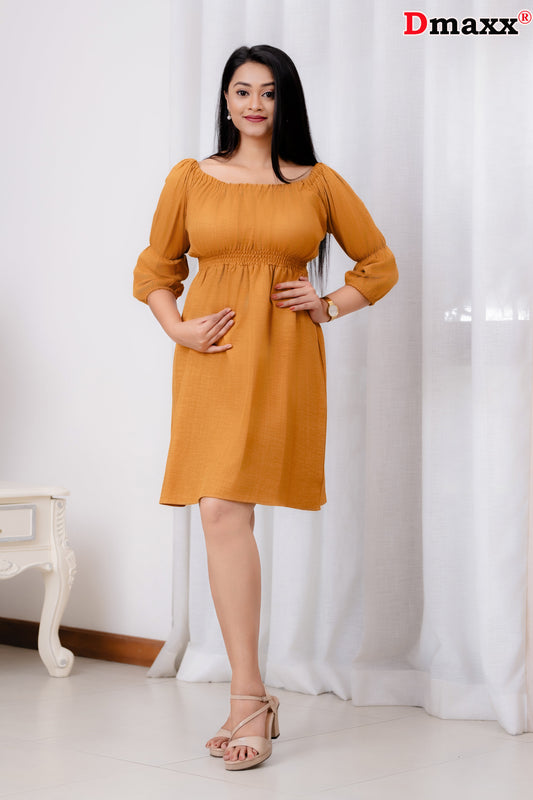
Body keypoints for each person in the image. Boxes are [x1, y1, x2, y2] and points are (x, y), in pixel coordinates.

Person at [133, 44, 398, 771]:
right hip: (211, 357)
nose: (255, 103)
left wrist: (328, 303)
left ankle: (249, 698)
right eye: (242, 90)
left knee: (234, 509)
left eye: (269, 92)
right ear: (225, 100)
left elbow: (379, 264)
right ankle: (249, 695)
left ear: (286, 103)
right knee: (219, 510)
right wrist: (177, 327)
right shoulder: (190, 177)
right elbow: (157, 268)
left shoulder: (317, 182)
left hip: (283, 359)